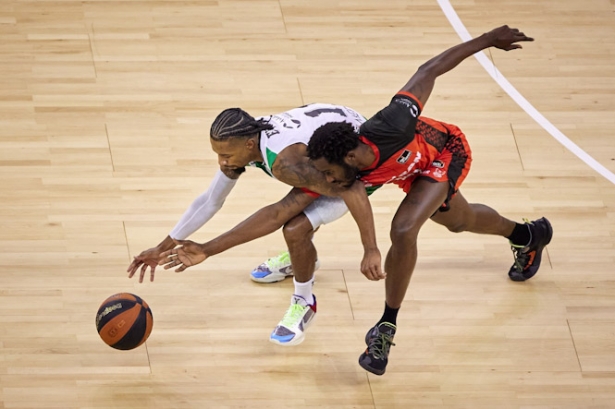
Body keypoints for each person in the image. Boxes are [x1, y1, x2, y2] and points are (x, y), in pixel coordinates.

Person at [305, 25, 552, 375]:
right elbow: (337, 206)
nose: (328, 181)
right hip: (412, 174)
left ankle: (385, 327)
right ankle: (528, 235)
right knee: (460, 221)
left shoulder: (392, 123)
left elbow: (428, 70)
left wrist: (485, 41)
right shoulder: (352, 175)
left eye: (329, 173)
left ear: (348, 157)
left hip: (445, 151)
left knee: (404, 229)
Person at [128, 104, 384, 346]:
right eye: (218, 154)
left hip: (357, 171)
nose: (222, 162)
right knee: (304, 202)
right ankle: (301, 259)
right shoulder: (248, 135)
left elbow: (278, 215)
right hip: (330, 138)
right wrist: (162, 247)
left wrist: (370, 249)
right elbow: (210, 201)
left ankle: (305, 301)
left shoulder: (284, 163)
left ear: (249, 144)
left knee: (295, 229)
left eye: (226, 155)